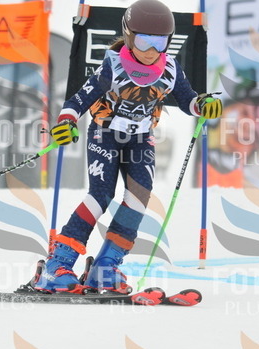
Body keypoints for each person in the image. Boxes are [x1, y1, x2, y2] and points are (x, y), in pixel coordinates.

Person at [35, 0, 222, 295]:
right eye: (144, 41)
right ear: (129, 36)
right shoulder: (113, 66)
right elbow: (78, 100)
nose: (151, 50)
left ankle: (105, 267)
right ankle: (56, 265)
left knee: (138, 198)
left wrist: (203, 104)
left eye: (160, 42)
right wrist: (67, 121)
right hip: (105, 133)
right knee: (100, 195)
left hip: (140, 138)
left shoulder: (170, 68)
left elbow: (188, 100)